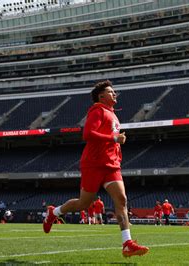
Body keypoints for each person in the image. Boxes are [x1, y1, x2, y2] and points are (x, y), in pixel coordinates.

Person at [43, 80, 149, 257]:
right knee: (83, 204)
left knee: (121, 199)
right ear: (101, 96)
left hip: (111, 164)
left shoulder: (112, 114)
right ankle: (53, 212)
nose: (115, 94)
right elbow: (87, 134)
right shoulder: (98, 110)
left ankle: (127, 243)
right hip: (94, 163)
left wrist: (116, 148)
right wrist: (114, 139)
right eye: (111, 92)